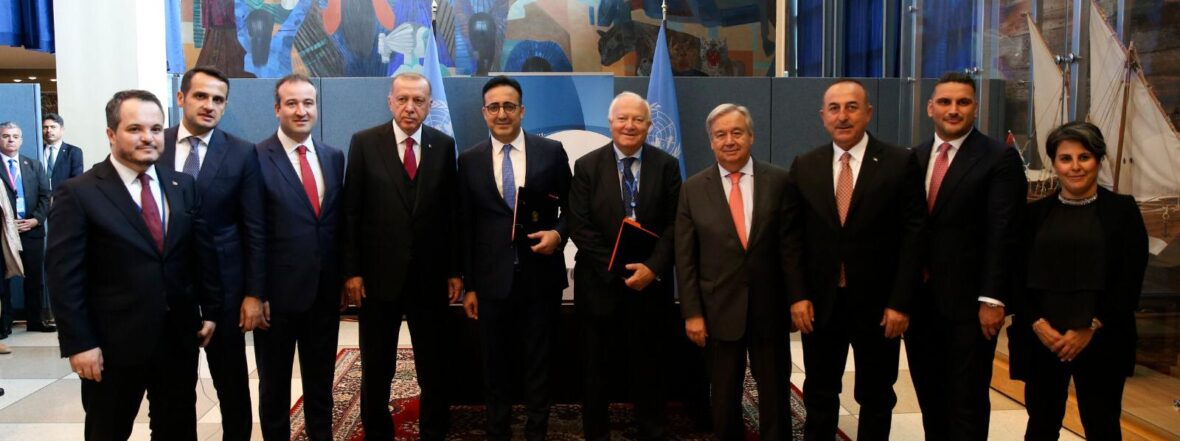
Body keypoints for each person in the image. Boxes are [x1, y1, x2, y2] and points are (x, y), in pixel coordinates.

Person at [46, 89, 220, 440]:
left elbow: (200, 254)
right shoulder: (79, 193)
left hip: (177, 340)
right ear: (111, 134)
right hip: (112, 346)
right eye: (135, 129)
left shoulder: (181, 186)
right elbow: (64, 276)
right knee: (108, 431)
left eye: (155, 129)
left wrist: (211, 310)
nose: (148, 137)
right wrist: (79, 343)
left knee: (177, 430)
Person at [785, 79, 926, 441]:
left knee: (876, 394)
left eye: (852, 107)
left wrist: (901, 302)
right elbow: (792, 238)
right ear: (823, 116)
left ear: (868, 113)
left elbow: (914, 238)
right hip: (821, 304)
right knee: (820, 391)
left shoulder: (899, 162)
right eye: (834, 108)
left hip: (879, 306)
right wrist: (797, 296)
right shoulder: (805, 165)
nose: (843, 116)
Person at [905, 72, 1027, 440]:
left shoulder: (999, 158)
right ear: (930, 108)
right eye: (945, 102)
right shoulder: (914, 157)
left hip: (971, 306)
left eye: (963, 102)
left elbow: (1004, 232)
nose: (953, 109)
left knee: (967, 401)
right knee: (930, 397)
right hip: (920, 304)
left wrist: (993, 299)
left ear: (976, 107)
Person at [340, 72, 461, 441]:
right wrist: (352, 271)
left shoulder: (443, 145)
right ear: (390, 101)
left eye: (419, 100)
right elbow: (351, 212)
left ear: (429, 105)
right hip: (378, 278)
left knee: (434, 366)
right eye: (403, 99)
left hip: (430, 277)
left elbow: (452, 213)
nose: (410, 107)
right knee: (377, 366)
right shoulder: (364, 143)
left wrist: (455, 270)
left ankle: (434, 431)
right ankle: (378, 432)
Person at [1009, 121, 1148, 440]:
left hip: (1102, 339)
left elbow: (1130, 280)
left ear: (1098, 160)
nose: (1075, 167)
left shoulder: (1123, 212)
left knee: (1103, 427)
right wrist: (1038, 325)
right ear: (1054, 163)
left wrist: (1090, 327)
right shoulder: (1033, 215)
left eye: (1084, 157)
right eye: (1065, 158)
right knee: (1041, 426)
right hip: (1043, 339)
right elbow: (1016, 276)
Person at [457, 75, 571, 441]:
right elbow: (465, 225)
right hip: (491, 281)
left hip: (541, 277)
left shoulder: (550, 152)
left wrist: (558, 235)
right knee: (495, 363)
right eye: (494, 107)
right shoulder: (469, 160)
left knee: (539, 360)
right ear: (484, 113)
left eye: (509, 106)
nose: (502, 114)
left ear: (522, 110)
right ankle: (498, 430)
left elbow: (574, 208)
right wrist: (470, 286)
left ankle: (537, 430)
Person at [155, 66, 265, 441]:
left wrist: (254, 293)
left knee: (232, 385)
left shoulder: (242, 152)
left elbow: (254, 228)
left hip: (227, 291)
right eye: (201, 96)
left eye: (218, 99)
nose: (209, 105)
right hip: (170, 291)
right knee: (174, 389)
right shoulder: (155, 146)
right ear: (181, 98)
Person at [675, 103, 792, 440]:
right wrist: (692, 313)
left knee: (775, 395)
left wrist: (797, 300)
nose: (729, 140)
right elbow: (685, 258)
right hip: (718, 310)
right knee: (724, 397)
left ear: (751, 136)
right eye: (720, 134)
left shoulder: (780, 181)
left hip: (770, 308)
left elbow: (791, 249)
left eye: (737, 132)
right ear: (711, 142)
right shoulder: (692, 189)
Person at [569, 91, 681, 441]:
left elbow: (676, 224)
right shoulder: (587, 166)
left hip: (651, 285)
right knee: (595, 370)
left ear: (649, 125)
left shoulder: (667, 165)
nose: (629, 125)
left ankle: (652, 430)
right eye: (622, 118)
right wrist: (618, 267)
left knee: (650, 367)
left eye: (637, 119)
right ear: (610, 123)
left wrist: (653, 268)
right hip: (599, 284)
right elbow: (579, 226)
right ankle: (596, 433)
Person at [253, 74, 344, 441]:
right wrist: (256, 293)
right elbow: (253, 231)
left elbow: (336, 224)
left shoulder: (333, 157)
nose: (301, 111)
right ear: (277, 109)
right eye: (291, 103)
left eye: (308, 103)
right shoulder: (256, 158)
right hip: (276, 297)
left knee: (321, 382)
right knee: (274, 386)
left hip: (323, 293)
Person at [0, 122, 53, 336]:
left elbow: (46, 196)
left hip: (31, 230)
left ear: (21, 140)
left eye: (15, 136)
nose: (11, 140)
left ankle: (35, 321)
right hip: (4, 232)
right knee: (2, 281)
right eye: (6, 136)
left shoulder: (34, 165)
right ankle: (4, 324)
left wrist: (36, 220)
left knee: (34, 278)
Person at [41, 113, 84, 189]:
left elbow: (76, 180)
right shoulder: (39, 151)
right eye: (45, 127)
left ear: (62, 129)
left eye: (53, 127)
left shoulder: (73, 152)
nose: (48, 130)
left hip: (64, 195)